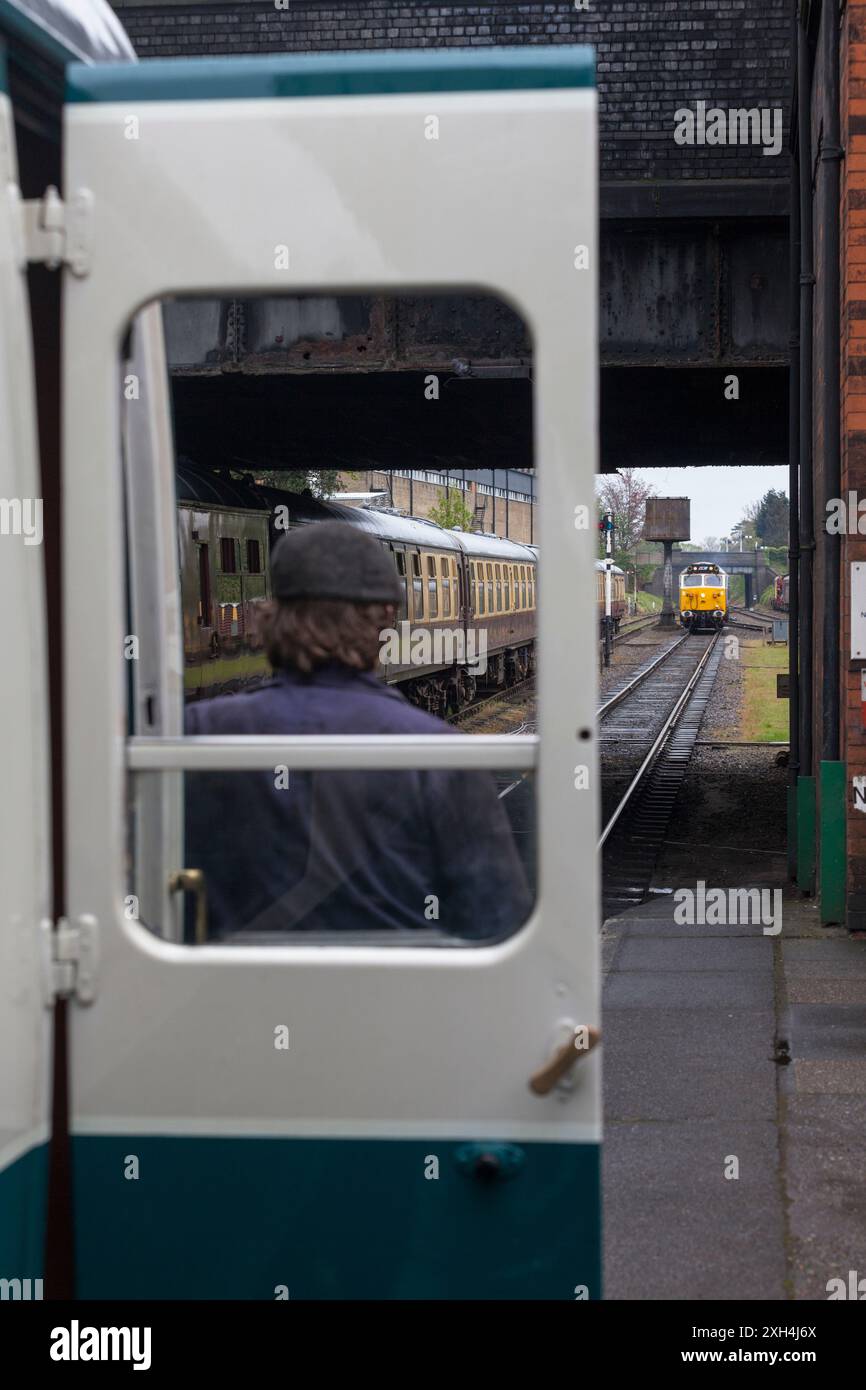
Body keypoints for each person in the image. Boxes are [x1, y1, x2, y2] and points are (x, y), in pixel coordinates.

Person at [184, 520, 532, 941]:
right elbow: (497, 924)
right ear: (387, 618)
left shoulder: (197, 736)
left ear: (269, 616)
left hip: (227, 998)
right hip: (394, 998)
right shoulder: (444, 755)